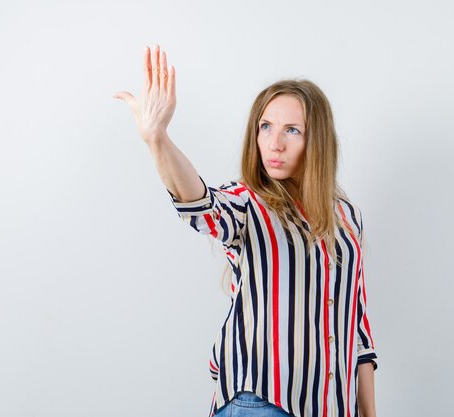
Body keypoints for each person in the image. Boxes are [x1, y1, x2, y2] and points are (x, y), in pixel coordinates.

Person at [114, 44, 378, 417]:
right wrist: (157, 139)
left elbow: (358, 329)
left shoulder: (347, 218)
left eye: (292, 130)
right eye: (266, 127)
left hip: (334, 407)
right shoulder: (247, 202)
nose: (275, 143)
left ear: (316, 140)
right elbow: (202, 206)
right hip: (261, 404)